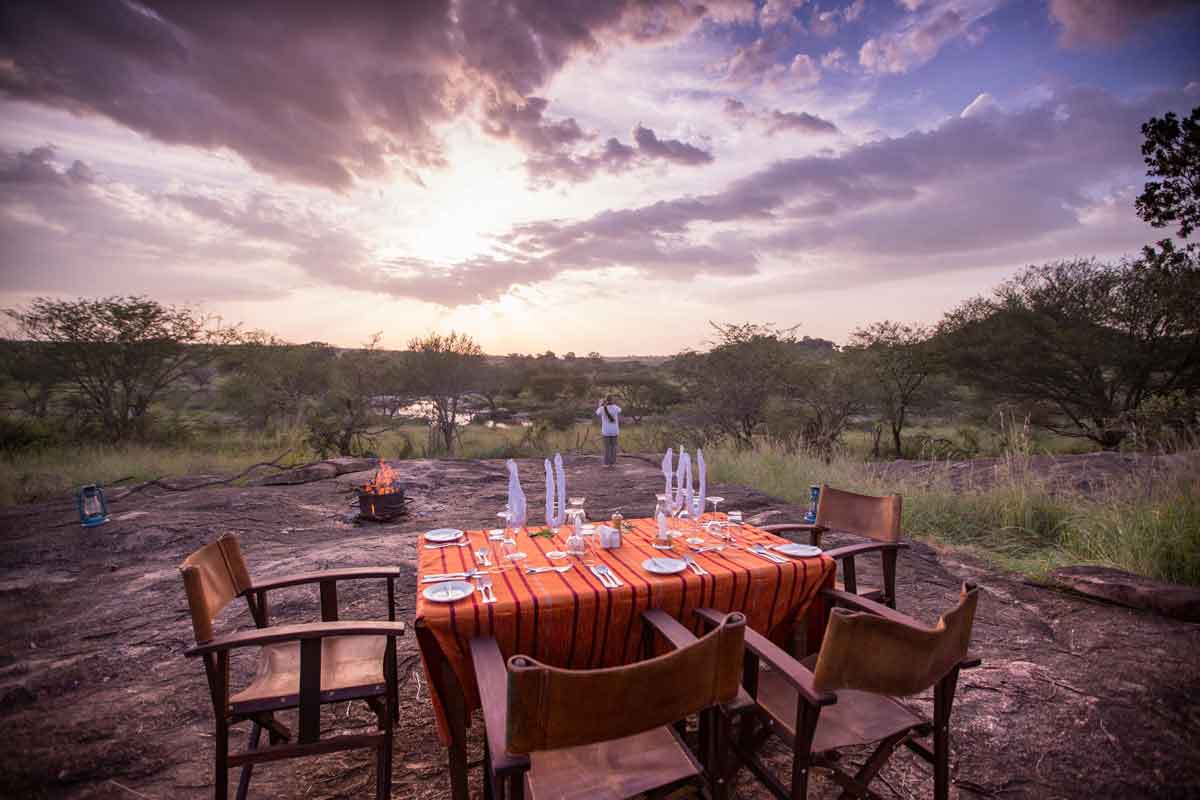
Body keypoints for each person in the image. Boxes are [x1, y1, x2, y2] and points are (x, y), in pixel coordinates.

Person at [596, 396, 621, 467]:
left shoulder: (602, 408)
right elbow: (620, 410)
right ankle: (613, 463)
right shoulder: (616, 407)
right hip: (614, 431)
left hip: (606, 431)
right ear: (612, 400)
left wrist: (600, 404)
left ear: (606, 401)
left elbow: (597, 413)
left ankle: (606, 463)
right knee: (613, 447)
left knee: (607, 447)